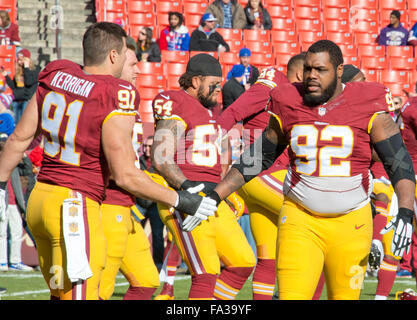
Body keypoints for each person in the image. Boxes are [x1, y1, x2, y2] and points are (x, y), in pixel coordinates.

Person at [0, 22, 217, 300]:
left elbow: (19, 139)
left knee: (62, 296)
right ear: (114, 55)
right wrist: (182, 200)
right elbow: (125, 174)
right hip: (74, 206)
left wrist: (2, 186)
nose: (136, 68)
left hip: (40, 201)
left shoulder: (58, 73)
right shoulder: (115, 93)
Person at [211, 40, 416, 299]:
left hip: (352, 223)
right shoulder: (287, 98)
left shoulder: (369, 99)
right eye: (308, 69)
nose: (312, 76)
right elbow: (259, 157)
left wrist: (406, 212)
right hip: (300, 219)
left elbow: (398, 161)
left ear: (339, 70)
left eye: (320, 69)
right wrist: (214, 196)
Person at [151, 53, 256, 300]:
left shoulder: (211, 111)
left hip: (211, 198)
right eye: (214, 83)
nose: (219, 89)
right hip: (186, 196)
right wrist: (188, 189)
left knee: (243, 262)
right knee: (206, 272)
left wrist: (225, 192)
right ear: (196, 81)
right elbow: (161, 157)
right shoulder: (176, 101)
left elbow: (220, 159)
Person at [98, 40, 161, 300]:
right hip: (108, 203)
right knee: (98, 289)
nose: (138, 71)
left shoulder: (125, 102)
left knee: (147, 280)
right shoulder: (108, 99)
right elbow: (118, 169)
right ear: (115, 60)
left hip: (125, 205)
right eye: (133, 64)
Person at [0, 125, 32, 272]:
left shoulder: (13, 161)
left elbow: (27, 170)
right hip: (3, 201)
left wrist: (24, 157)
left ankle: (15, 260)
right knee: (2, 232)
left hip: (14, 202)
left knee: (17, 231)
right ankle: (2, 262)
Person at [137, 135, 166, 272]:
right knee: (134, 233)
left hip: (155, 203)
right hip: (140, 202)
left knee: (157, 236)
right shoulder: (139, 161)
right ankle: (135, 263)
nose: (147, 149)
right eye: (146, 146)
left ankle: (158, 265)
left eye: (150, 146)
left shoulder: (161, 163)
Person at [3, 49, 39, 124]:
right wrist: (6, 76)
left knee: (24, 122)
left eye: (21, 60)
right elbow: (13, 87)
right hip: (16, 100)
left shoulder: (35, 70)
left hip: (26, 100)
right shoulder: (19, 71)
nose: (19, 62)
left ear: (27, 59)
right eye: (19, 60)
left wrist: (26, 67)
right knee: (16, 122)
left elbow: (29, 82)